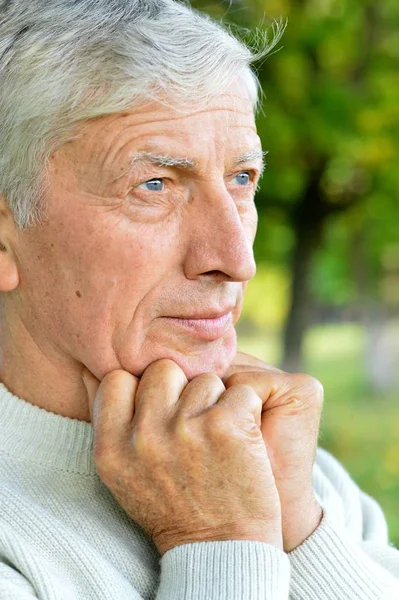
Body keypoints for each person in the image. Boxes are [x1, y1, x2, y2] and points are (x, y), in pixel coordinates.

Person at [0, 0, 398, 598]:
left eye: (242, 179)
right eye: (155, 185)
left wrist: (300, 530)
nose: (237, 259)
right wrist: (221, 539)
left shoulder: (286, 461)